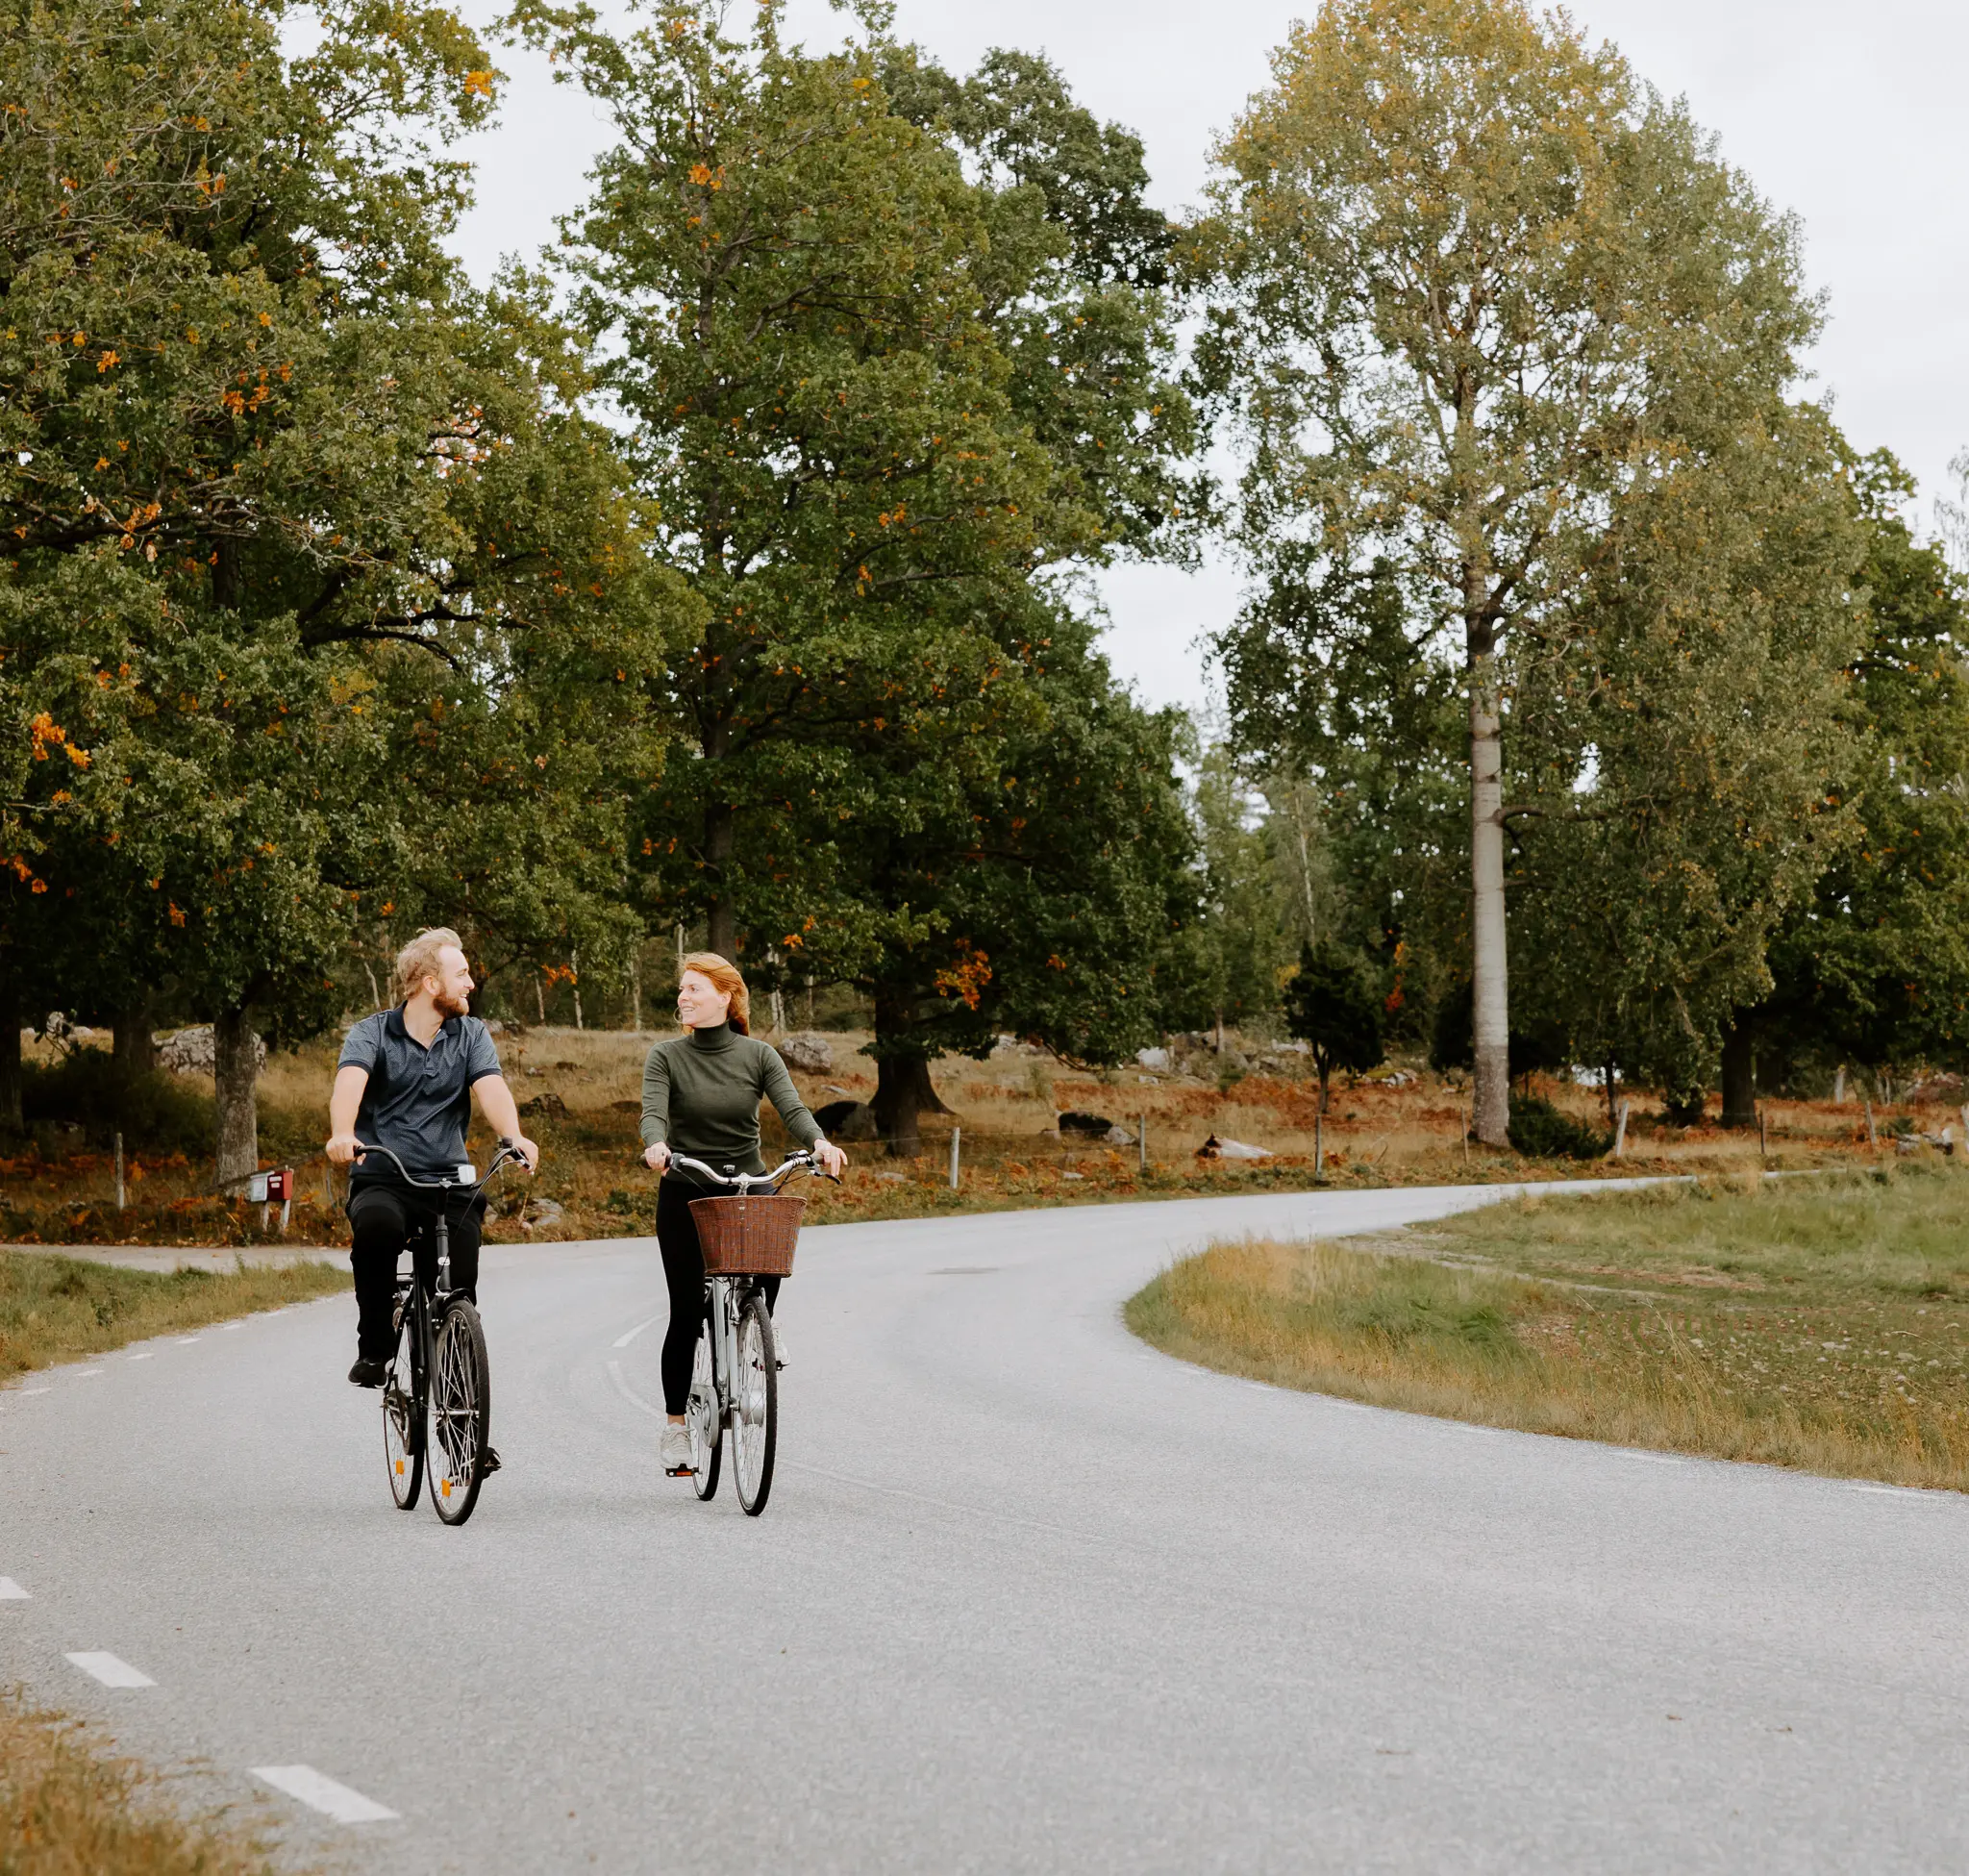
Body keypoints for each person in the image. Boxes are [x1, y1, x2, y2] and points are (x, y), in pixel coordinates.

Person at [640, 952, 846, 1475]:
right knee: (685, 1312)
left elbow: (793, 1109)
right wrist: (656, 1145)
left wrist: (820, 1143)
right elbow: (653, 1112)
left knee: (771, 1253)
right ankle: (676, 1427)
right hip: (687, 1188)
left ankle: (757, 1325)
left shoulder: (758, 1055)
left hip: (748, 1182)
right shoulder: (667, 1056)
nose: (683, 996)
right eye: (682, 988)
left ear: (725, 997)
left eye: (694, 988)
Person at [326, 930, 539, 1417]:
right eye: (460, 974)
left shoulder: (471, 1034)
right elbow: (349, 1086)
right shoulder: (372, 1033)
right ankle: (375, 1346)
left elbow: (492, 1089)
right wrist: (342, 1133)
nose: (470, 983)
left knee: (458, 1289)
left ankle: (460, 1420)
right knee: (377, 1230)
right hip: (384, 1176)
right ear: (429, 983)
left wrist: (513, 1135)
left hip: (449, 1183)